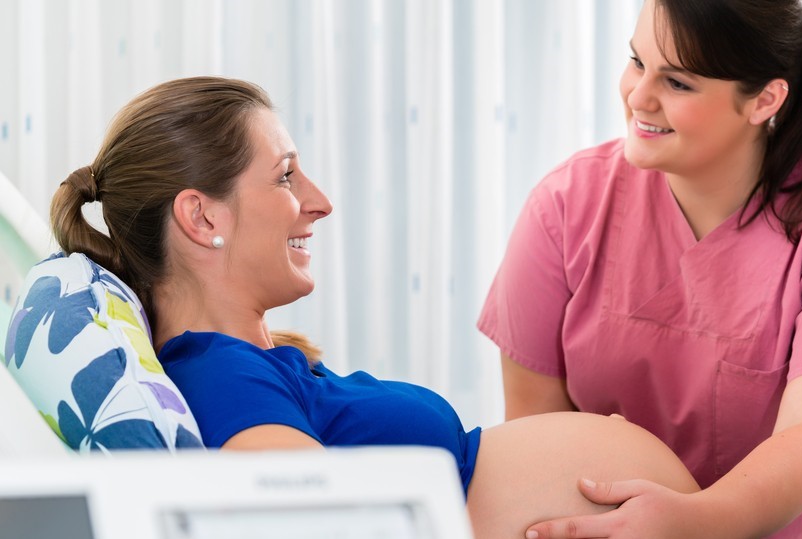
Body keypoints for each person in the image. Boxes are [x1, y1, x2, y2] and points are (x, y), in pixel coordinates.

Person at [48, 76, 703, 539]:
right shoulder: (222, 377)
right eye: (284, 175)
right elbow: (321, 521)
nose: (320, 201)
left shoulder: (255, 363)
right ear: (201, 216)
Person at [478, 0, 802, 537]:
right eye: (637, 62)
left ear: (765, 100)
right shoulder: (565, 208)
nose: (638, 96)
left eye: (677, 83)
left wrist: (697, 522)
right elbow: (537, 438)